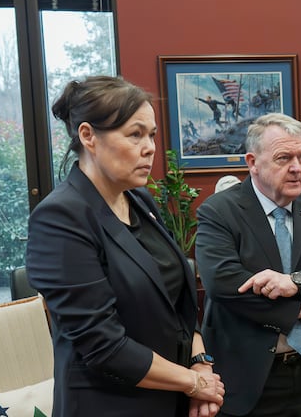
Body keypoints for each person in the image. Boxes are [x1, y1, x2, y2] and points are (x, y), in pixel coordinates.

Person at [25, 76, 224, 416]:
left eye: (152, 135)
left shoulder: (139, 199)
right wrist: (193, 383)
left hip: (171, 395)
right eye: (135, 134)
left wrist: (200, 363)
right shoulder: (60, 218)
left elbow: (175, 306)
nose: (149, 147)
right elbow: (103, 345)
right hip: (109, 405)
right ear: (88, 136)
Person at [195, 112, 301, 417]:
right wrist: (299, 310)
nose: (297, 167)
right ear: (252, 162)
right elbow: (223, 283)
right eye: (284, 158)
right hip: (249, 376)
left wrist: (298, 281)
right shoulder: (219, 211)